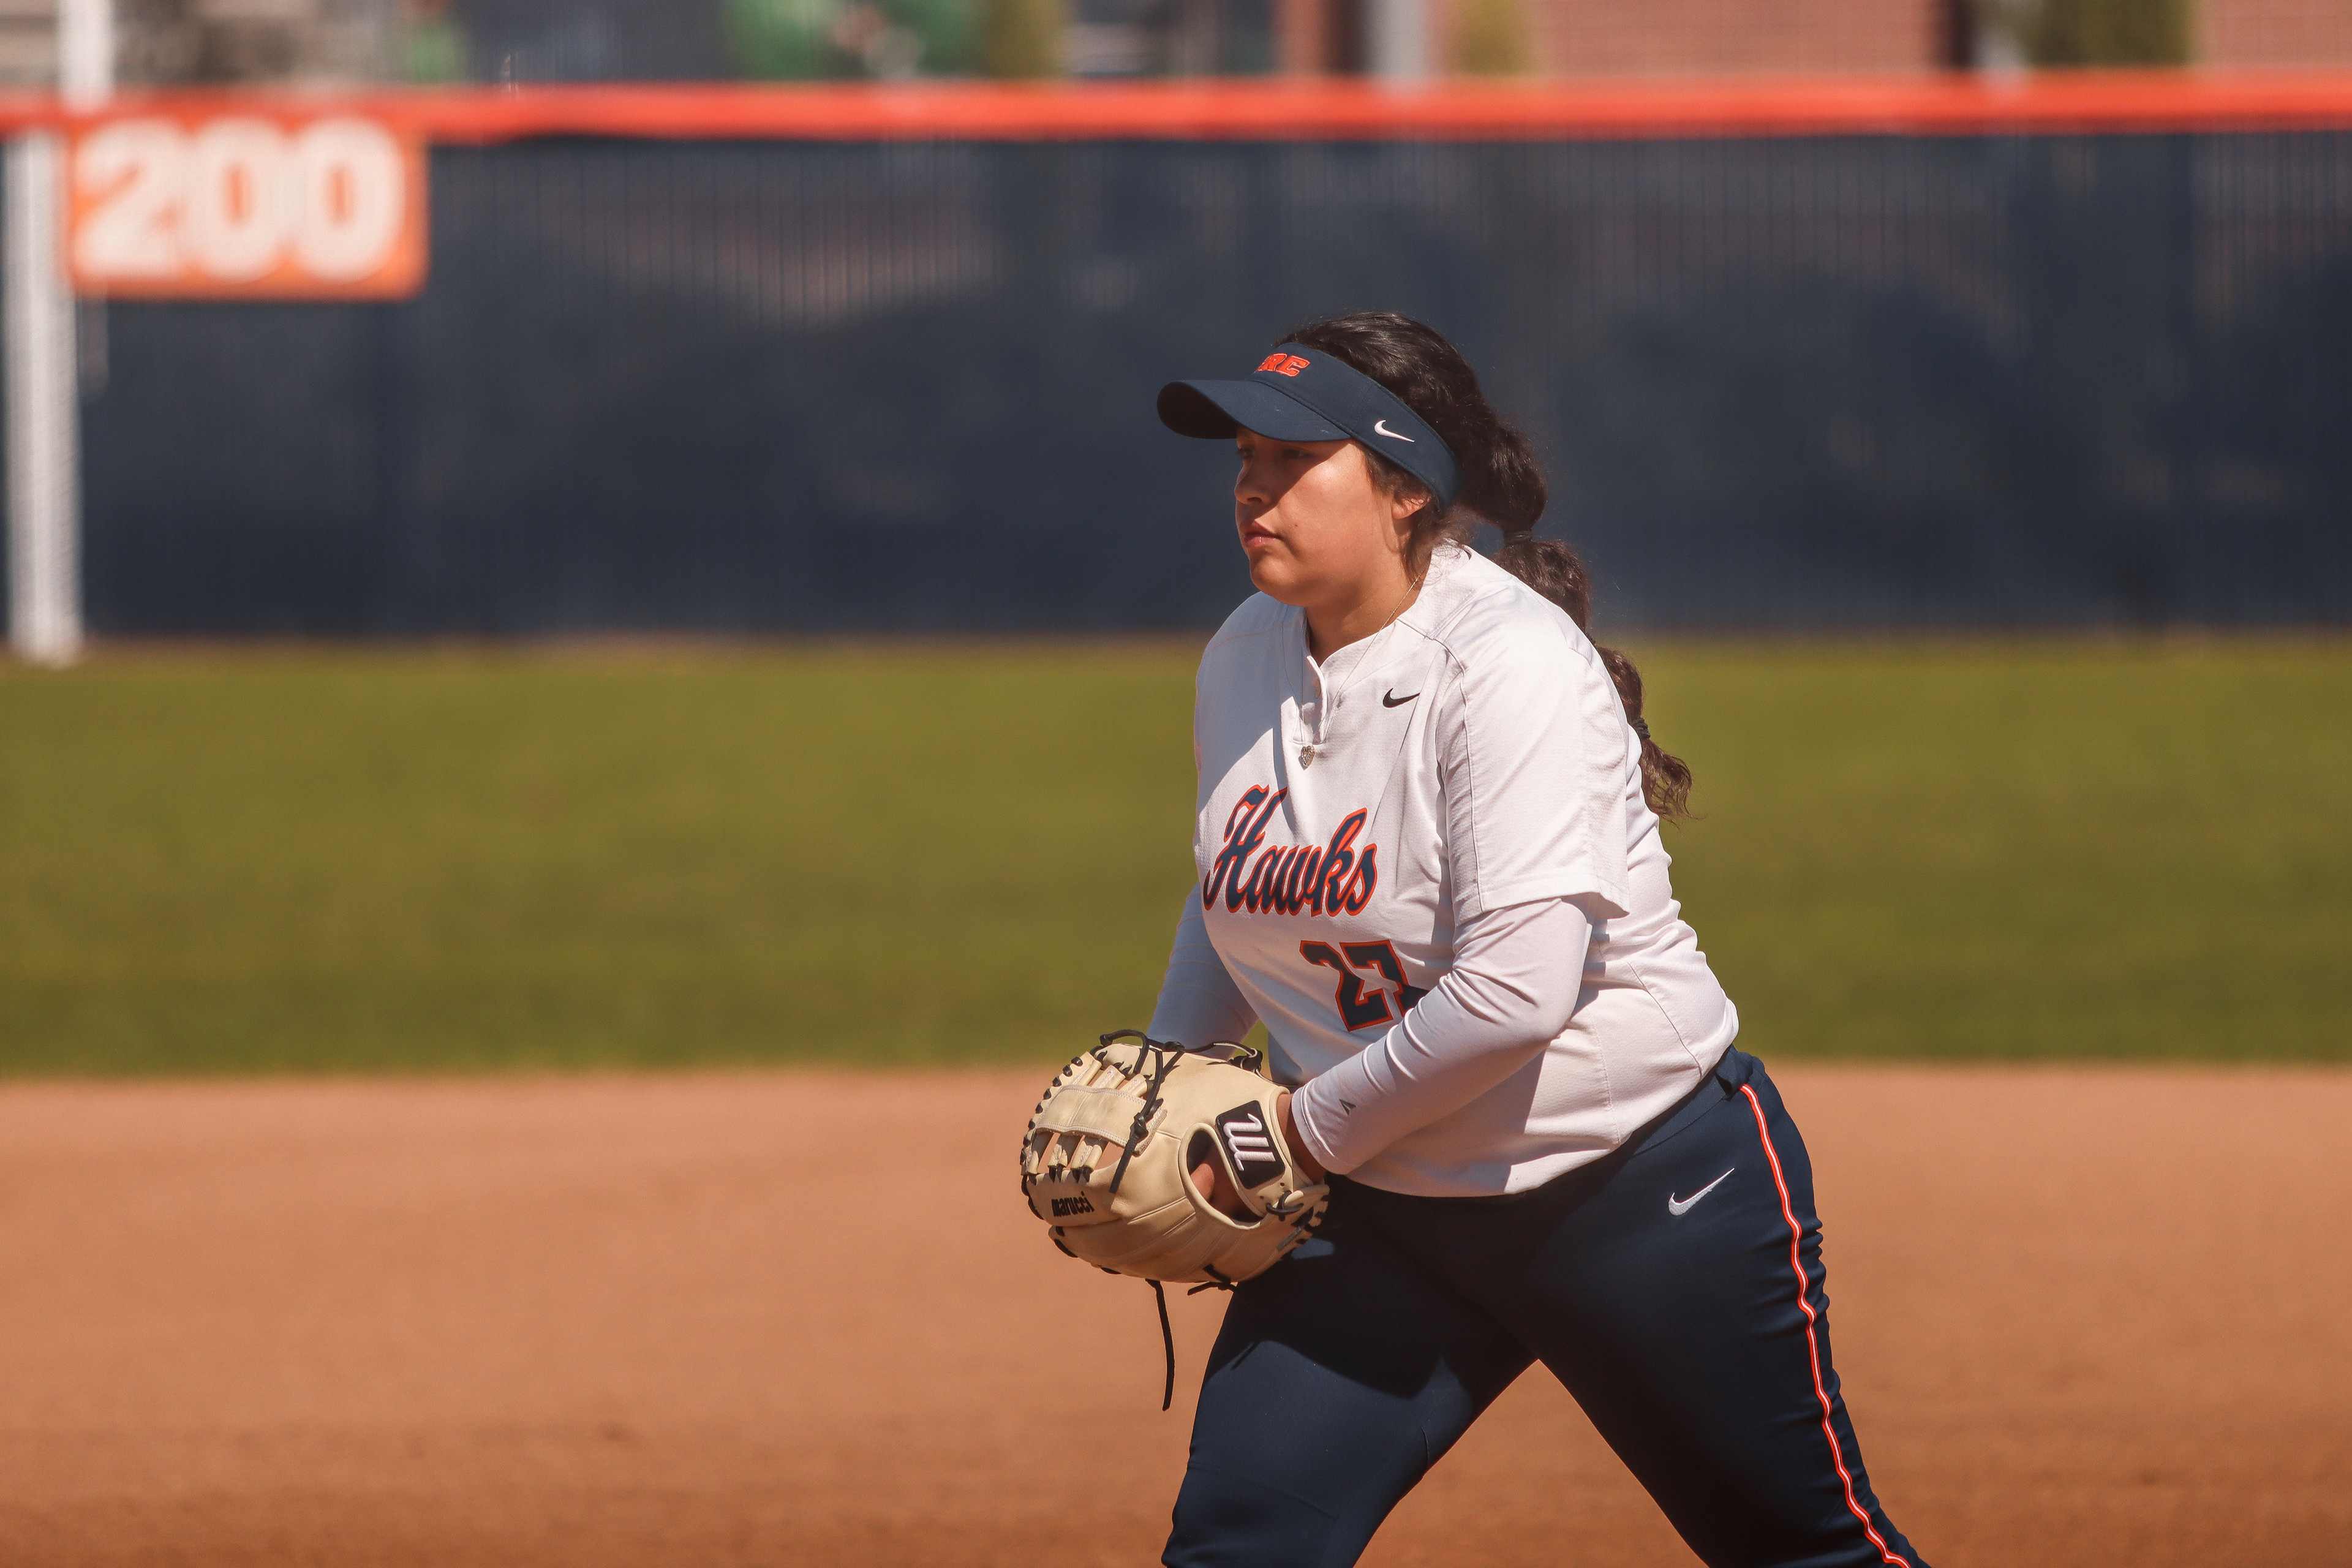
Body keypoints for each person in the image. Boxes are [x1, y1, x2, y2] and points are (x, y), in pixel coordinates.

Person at [1143, 312, 1928, 1568]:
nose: (1254, 486)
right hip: (1379, 1213)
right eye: (1247, 456)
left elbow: (1517, 991)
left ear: (1405, 488)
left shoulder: (1505, 662)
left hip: (1628, 1193)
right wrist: (1165, 1074)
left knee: (1803, 1553)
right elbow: (1235, 880)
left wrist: (1291, 1133)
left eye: (1296, 457)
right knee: (1238, 1548)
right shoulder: (1245, 652)